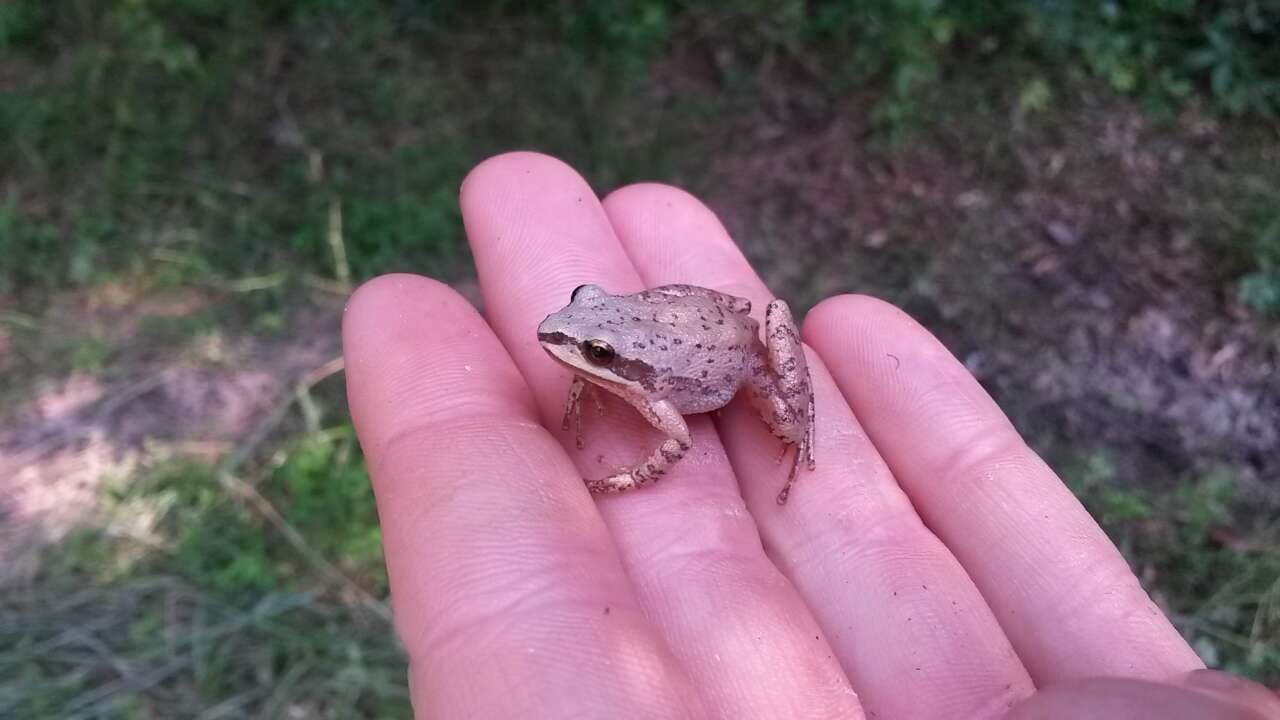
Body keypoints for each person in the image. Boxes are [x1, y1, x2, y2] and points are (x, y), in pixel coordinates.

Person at [341, 152, 1280, 719]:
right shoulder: (602, 351)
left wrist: (618, 479)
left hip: (724, 356)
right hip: (673, 322)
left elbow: (670, 445)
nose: (564, 341)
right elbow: (589, 342)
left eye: (585, 345)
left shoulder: (659, 401)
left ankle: (800, 430)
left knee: (783, 404)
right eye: (585, 333)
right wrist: (595, 371)